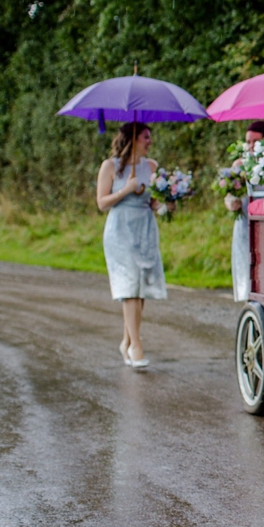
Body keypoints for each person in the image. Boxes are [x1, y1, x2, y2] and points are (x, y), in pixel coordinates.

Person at [96, 122, 168, 370]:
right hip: (120, 229)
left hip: (145, 228)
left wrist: (168, 204)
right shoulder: (110, 167)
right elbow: (102, 203)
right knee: (129, 286)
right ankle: (136, 345)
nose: (150, 141)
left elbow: (155, 203)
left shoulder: (152, 167)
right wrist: (125, 190)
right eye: (146, 137)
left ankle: (126, 340)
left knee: (140, 286)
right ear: (133, 139)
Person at [225, 121, 264, 302]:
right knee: (248, 275)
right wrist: (231, 203)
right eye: (248, 142)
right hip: (245, 226)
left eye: (256, 141)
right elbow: (228, 196)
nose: (251, 146)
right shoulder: (239, 165)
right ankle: (254, 314)